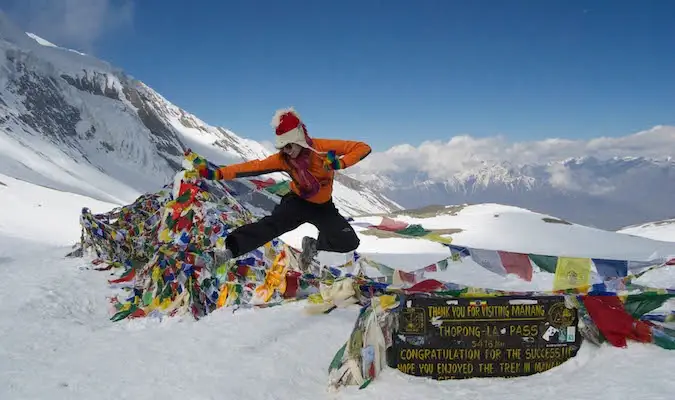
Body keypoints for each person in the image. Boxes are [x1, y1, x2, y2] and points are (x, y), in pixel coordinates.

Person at [195, 107, 372, 270]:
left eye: (288, 146)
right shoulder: (283, 159)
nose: (286, 151)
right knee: (272, 225)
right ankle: (226, 253)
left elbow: (362, 147)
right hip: (297, 202)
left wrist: (341, 163)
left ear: (299, 140)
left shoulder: (322, 149)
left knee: (348, 241)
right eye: (282, 147)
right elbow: (252, 167)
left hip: (324, 207)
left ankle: (313, 246)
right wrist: (217, 174)